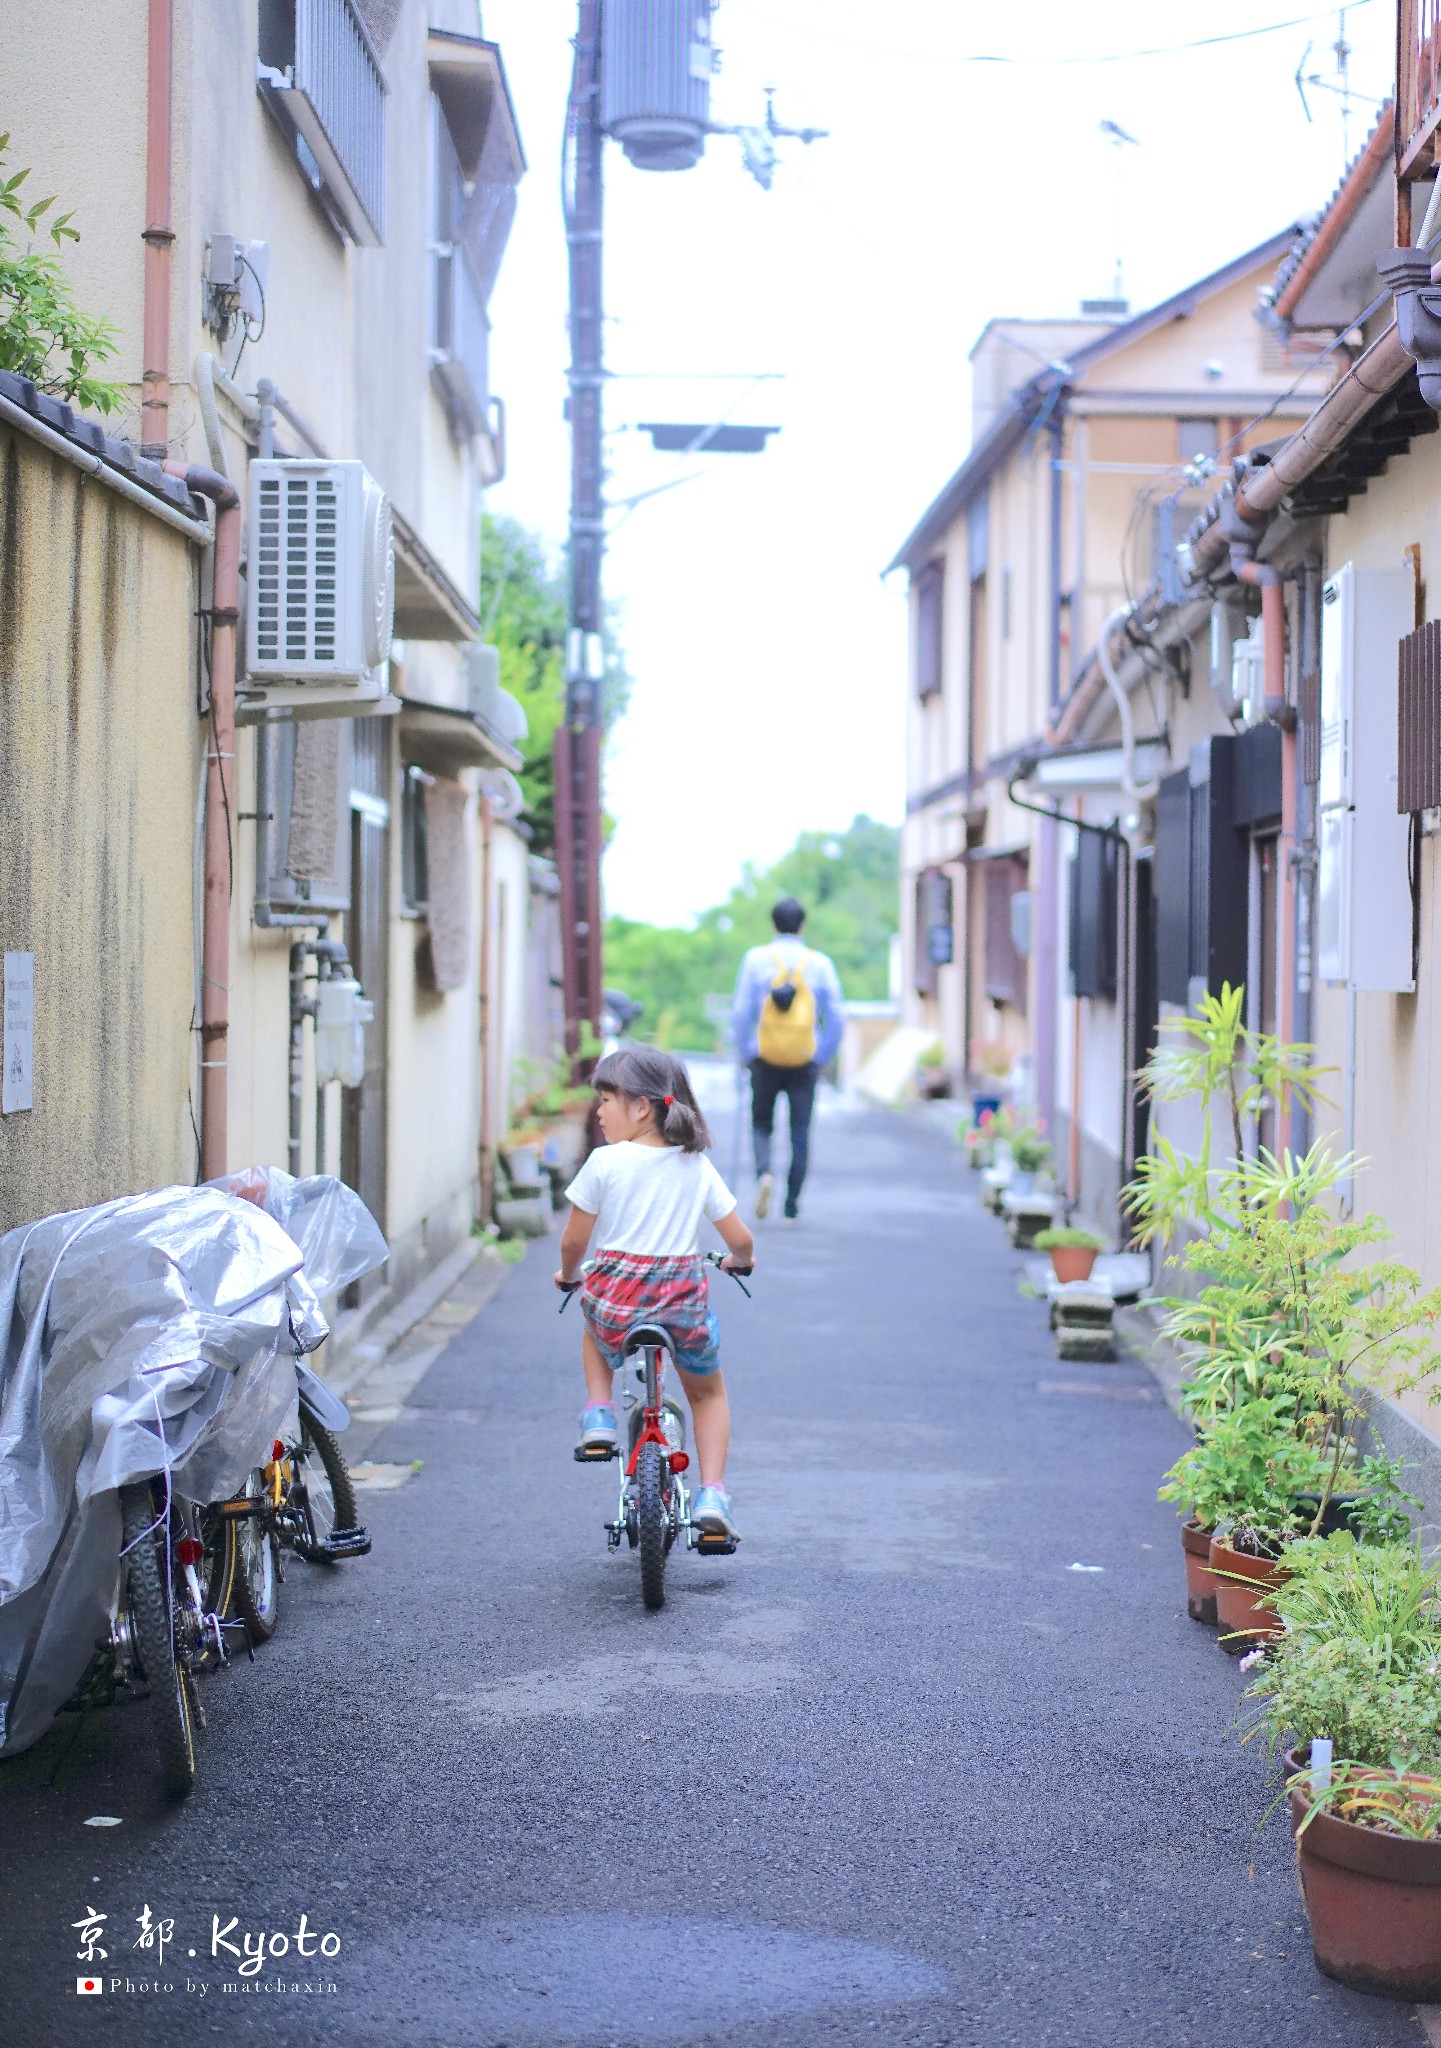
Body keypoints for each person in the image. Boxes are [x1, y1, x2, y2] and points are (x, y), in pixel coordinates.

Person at [555, 1046, 755, 1539]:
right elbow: (742, 1240)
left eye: (606, 1099)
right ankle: (712, 1494)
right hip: (680, 1303)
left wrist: (568, 1272)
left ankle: (599, 1413)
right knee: (707, 1395)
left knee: (593, 1326)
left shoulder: (604, 1163)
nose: (598, 1111)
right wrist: (741, 1263)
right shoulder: (696, 1165)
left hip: (617, 1302)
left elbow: (574, 1240)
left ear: (641, 1107)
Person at [730, 896, 844, 1223]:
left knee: (762, 1123)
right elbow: (836, 1017)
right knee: (800, 1130)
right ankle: (792, 1204)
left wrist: (746, 1052)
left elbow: (741, 1012)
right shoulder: (819, 963)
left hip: (764, 1057)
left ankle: (764, 1174)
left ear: (773, 925)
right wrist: (822, 1055)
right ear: (802, 926)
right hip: (803, 1060)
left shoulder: (756, 960)